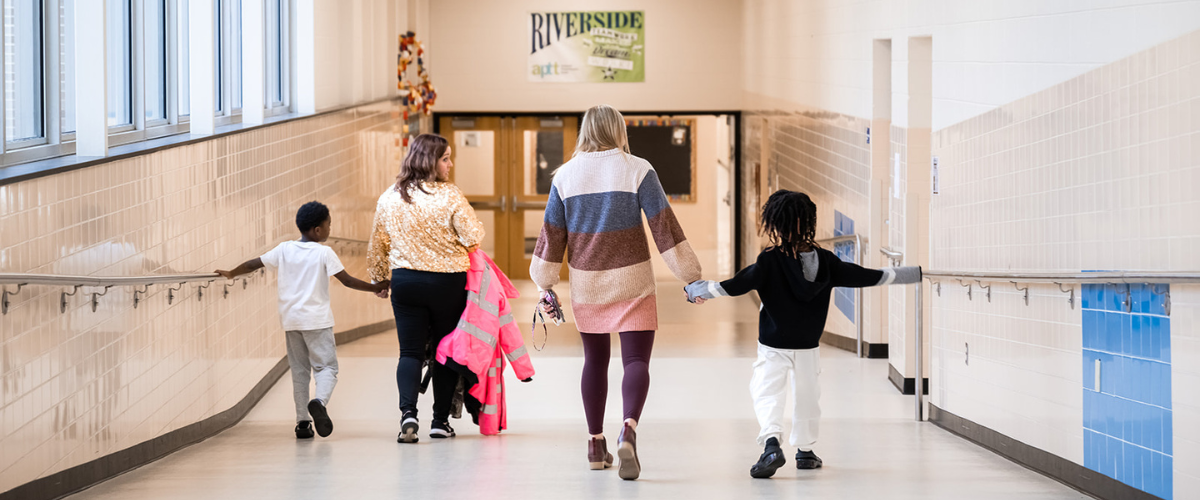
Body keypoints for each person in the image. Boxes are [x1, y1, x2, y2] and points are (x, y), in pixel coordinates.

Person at [685, 190, 922, 478]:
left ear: (776, 224)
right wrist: (914, 274)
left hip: (773, 344)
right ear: (810, 222)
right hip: (808, 344)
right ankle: (806, 452)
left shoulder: (769, 260)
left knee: (766, 392)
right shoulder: (827, 262)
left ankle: (771, 444)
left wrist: (695, 290)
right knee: (808, 395)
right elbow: (867, 276)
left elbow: (735, 285)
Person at [530, 104, 702, 480]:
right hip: (633, 280)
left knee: (595, 361)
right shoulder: (637, 168)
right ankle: (629, 428)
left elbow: (550, 238)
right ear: (619, 130)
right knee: (636, 361)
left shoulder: (565, 177)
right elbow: (664, 228)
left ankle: (595, 444)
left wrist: (544, 282)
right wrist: (690, 276)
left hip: (587, 283)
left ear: (585, 131)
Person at [216, 201, 388, 439]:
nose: (330, 229)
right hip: (317, 321)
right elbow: (347, 281)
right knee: (327, 367)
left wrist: (231, 273)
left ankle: (303, 423)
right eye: (329, 224)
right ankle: (319, 401)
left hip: (291, 321)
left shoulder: (284, 249)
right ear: (317, 229)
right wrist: (376, 287)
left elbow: (252, 264)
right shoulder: (324, 252)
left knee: (299, 371)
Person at [367, 133, 485, 443]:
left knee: (409, 352)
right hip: (447, 284)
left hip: (406, 283)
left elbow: (377, 244)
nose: (450, 164)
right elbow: (473, 236)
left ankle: (408, 414)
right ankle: (439, 421)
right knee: (445, 353)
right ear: (430, 161)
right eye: (445, 158)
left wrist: (379, 278)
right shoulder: (450, 196)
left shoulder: (390, 196)